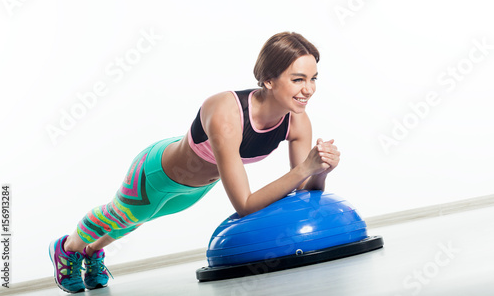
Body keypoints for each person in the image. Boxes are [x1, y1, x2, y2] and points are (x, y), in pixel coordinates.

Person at [48, 31, 341, 293]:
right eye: (298, 79)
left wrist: (320, 170)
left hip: (196, 189)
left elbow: (304, 190)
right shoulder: (226, 110)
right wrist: (305, 168)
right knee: (121, 215)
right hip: (156, 175)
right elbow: (245, 204)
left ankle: (91, 252)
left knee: (137, 220)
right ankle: (67, 248)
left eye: (313, 78)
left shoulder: (297, 122)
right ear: (268, 79)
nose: (309, 89)